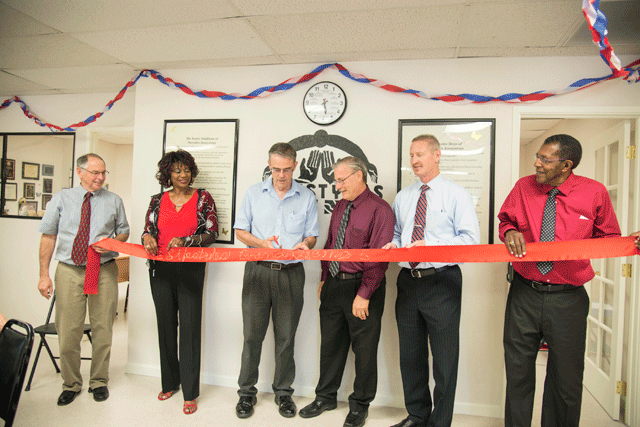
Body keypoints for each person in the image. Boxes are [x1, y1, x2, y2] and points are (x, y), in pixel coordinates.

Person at [498, 134, 626, 427]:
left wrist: (631, 242)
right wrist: (509, 232)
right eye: (538, 157)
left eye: (545, 159)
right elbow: (506, 220)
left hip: (568, 298)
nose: (537, 163)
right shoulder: (523, 186)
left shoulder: (594, 193)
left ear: (566, 165)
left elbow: (610, 238)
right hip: (523, 294)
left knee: (565, 381)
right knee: (517, 374)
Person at [382, 134, 480, 427]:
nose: (414, 160)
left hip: (442, 281)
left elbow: (470, 241)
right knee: (410, 356)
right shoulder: (404, 196)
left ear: (437, 155)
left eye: (420, 154)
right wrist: (394, 244)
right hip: (408, 281)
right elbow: (400, 233)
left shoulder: (456, 194)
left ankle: (440, 423)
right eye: (411, 155)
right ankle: (417, 416)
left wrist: (430, 243)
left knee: (444, 360)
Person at [299, 157, 394, 427]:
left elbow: (378, 258)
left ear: (359, 176)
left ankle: (360, 405)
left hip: (363, 285)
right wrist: (323, 277)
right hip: (333, 284)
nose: (337, 186)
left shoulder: (380, 209)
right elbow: (331, 244)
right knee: (330, 344)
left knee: (364, 350)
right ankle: (325, 397)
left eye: (341, 180)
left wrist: (364, 294)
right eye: (335, 180)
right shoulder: (340, 206)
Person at [234, 142, 319, 419]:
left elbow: (312, 235)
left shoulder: (306, 197)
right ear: (269, 166)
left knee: (286, 337)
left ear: (295, 166)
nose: (281, 175)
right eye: (275, 169)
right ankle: (246, 394)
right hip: (257, 271)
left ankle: (283, 393)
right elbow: (240, 231)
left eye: (286, 169)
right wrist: (261, 244)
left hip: (291, 274)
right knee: (251, 337)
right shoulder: (253, 193)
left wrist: (305, 244)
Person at [38, 153, 129, 406]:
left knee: (103, 329)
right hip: (69, 270)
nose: (100, 177)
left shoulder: (114, 200)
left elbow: (124, 231)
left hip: (102, 269)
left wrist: (112, 243)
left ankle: (99, 381)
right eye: (95, 173)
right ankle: (71, 383)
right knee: (68, 330)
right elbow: (48, 237)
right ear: (80, 172)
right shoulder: (61, 199)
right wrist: (43, 275)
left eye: (103, 173)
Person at [142, 150, 218, 415]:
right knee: (165, 326)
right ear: (168, 174)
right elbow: (148, 229)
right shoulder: (156, 200)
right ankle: (170, 383)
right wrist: (146, 238)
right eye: (177, 170)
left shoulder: (202, 198)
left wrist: (186, 241)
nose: (183, 175)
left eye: (186, 170)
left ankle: (190, 392)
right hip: (160, 269)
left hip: (190, 270)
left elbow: (212, 232)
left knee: (189, 328)